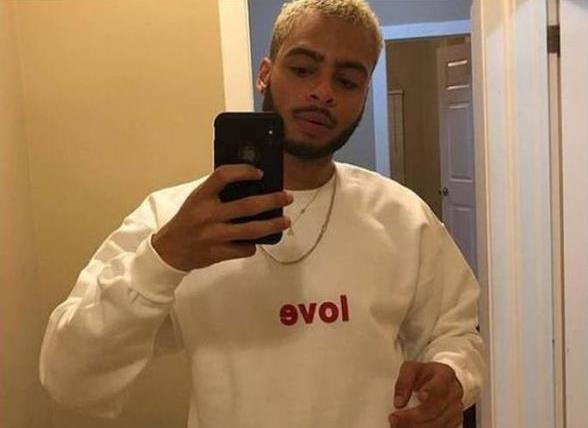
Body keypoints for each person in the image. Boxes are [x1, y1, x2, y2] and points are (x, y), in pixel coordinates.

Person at [39, 1, 485, 427]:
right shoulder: (175, 220)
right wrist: (164, 259)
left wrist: (452, 376)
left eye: (347, 81)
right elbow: (68, 375)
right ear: (265, 74)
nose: (323, 92)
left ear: (364, 96)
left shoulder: (402, 216)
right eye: (303, 69)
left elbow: (456, 332)